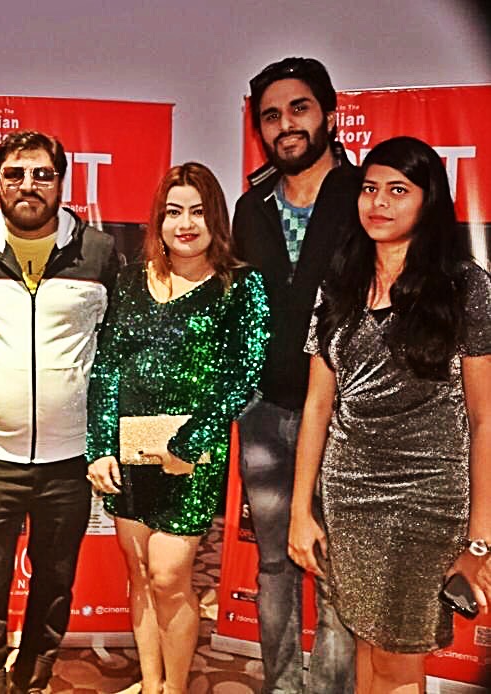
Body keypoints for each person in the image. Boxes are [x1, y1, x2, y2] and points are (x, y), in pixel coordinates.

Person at [289, 136, 491, 693]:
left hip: (427, 499)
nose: (378, 202)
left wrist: (480, 539)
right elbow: (317, 405)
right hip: (348, 497)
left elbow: (484, 418)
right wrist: (302, 510)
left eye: (398, 190)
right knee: (365, 643)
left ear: (429, 200)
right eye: (370, 188)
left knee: (399, 658)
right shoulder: (340, 282)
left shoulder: (464, 286)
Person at [0, 130, 119, 694]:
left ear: (61, 182)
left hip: (69, 457)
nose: (28, 185)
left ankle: (33, 678)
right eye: (15, 174)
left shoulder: (99, 252)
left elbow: (113, 349)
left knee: (55, 581)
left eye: (43, 174)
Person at [86, 162, 269, 694]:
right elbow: (108, 366)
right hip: (128, 451)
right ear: (159, 221)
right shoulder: (130, 280)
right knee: (140, 571)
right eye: (173, 212)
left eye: (197, 211)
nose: (185, 224)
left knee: (169, 576)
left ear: (216, 219)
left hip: (192, 456)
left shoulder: (241, 286)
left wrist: (189, 442)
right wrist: (100, 446)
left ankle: (176, 687)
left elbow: (244, 375)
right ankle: (152, 683)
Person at [231, 56, 362, 693]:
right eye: (271, 116)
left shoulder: (366, 196)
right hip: (264, 414)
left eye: (299, 109)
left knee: (337, 570)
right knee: (274, 564)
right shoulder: (250, 208)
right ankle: (282, 686)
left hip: (346, 419)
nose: (285, 125)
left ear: (329, 114)